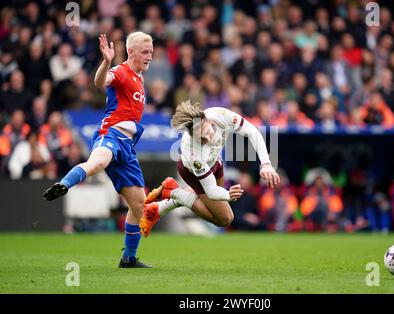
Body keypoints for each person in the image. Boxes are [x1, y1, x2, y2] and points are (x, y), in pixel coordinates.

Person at [43, 32, 154, 268]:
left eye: (151, 52)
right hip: (111, 134)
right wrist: (106, 62)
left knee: (139, 205)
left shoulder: (140, 77)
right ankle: (64, 184)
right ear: (131, 51)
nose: (149, 56)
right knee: (99, 162)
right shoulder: (122, 72)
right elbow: (100, 82)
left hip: (128, 147)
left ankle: (128, 258)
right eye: (145, 52)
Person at [139, 99, 280, 237]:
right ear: (192, 135)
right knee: (225, 219)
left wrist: (266, 164)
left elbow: (251, 131)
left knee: (214, 203)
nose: (209, 136)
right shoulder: (194, 153)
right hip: (193, 173)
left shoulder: (220, 115)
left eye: (208, 130)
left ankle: (159, 207)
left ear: (207, 119)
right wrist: (227, 195)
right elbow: (211, 191)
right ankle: (177, 194)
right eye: (203, 136)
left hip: (215, 162)